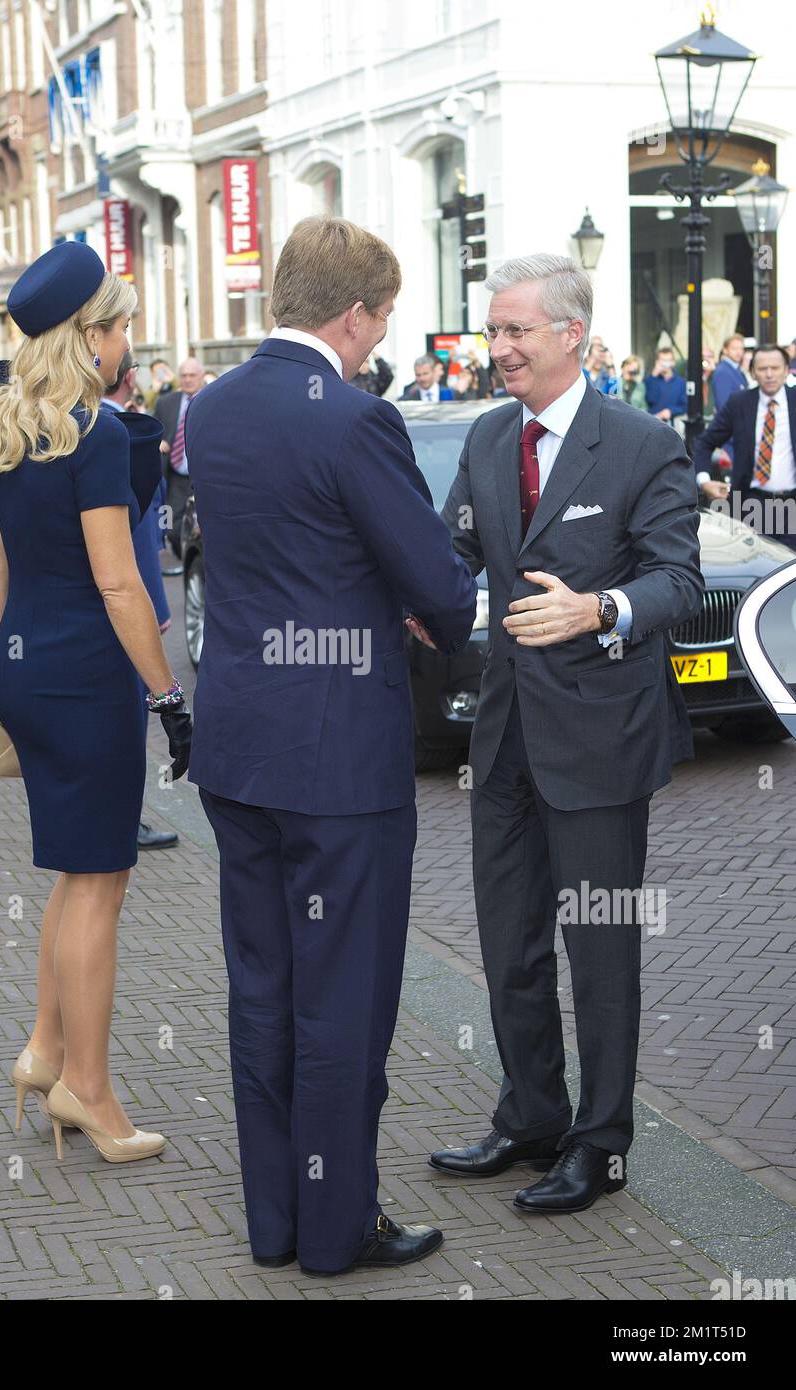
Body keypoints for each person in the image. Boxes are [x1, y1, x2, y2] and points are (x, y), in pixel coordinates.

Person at [185, 214, 478, 1275]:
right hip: (337, 764)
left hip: (239, 750)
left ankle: (276, 1223)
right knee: (342, 1000)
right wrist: (425, 607)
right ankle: (336, 1230)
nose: (376, 340)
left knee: (263, 992)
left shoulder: (206, 410)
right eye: (380, 320)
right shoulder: (354, 419)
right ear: (351, 315)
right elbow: (439, 586)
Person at [430, 252, 703, 1213]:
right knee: (509, 942)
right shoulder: (486, 438)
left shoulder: (640, 444)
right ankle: (533, 1114)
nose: (496, 348)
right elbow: (450, 551)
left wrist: (600, 608)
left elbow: (678, 579)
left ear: (570, 337)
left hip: (599, 739)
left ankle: (602, 1143)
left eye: (514, 331)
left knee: (599, 948)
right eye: (493, 330)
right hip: (504, 736)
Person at [0, 241, 192, 1163]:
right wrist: (169, 691)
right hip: (88, 679)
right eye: (121, 325)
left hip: (23, 669)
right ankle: (89, 1094)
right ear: (88, 336)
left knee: (70, 869)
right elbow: (120, 586)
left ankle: (45, 1048)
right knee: (101, 880)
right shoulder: (91, 433)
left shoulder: (2, 428)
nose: (127, 339)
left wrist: (9, 664)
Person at [99, 350, 179, 853]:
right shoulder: (122, 434)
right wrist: (158, 610)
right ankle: (124, 819)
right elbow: (142, 530)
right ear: (131, 378)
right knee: (126, 713)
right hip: (119, 597)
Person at [693, 343, 796, 551]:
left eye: (775, 368)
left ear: (786, 370)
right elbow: (705, 442)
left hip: (792, 506)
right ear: (752, 372)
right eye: (762, 369)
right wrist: (704, 481)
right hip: (752, 506)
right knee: (757, 568)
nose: (769, 374)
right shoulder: (739, 403)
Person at [151, 356, 205, 559]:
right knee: (171, 526)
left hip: (203, 475)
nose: (188, 379)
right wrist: (158, 443)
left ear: (201, 376)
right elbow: (154, 431)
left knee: (204, 526)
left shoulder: (211, 398)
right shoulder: (166, 402)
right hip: (176, 476)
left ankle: (198, 561)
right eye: (184, 375)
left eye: (192, 375)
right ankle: (185, 558)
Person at [644, 345, 687, 424]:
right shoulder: (650, 380)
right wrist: (654, 376)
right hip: (652, 423)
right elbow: (650, 399)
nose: (665, 363)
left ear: (673, 362)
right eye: (663, 360)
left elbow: (684, 406)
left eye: (668, 360)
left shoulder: (681, 383)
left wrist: (670, 411)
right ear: (657, 361)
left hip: (672, 424)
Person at [711, 334, 748, 414]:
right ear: (725, 350)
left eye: (741, 349)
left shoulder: (735, 369)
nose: (738, 352)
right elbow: (723, 405)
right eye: (734, 348)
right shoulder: (723, 372)